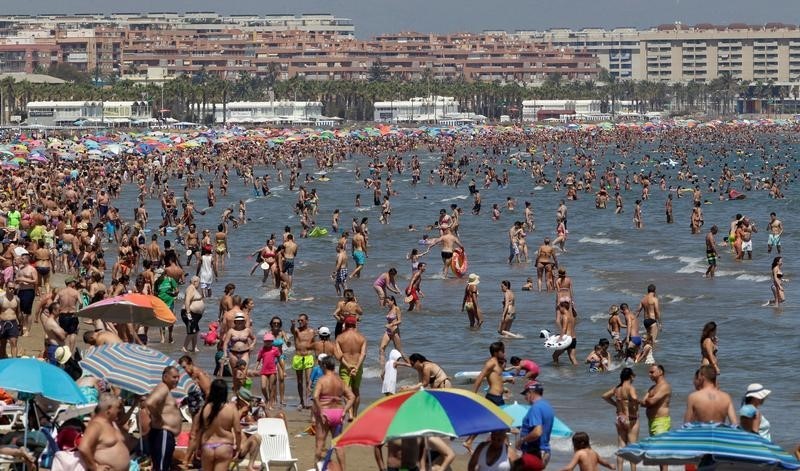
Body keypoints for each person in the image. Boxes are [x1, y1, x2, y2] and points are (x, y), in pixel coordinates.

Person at [188, 379, 241, 471]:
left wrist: (197, 448)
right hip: (224, 446)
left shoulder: (204, 408)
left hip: (207, 446)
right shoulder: (231, 409)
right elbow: (238, 431)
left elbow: (198, 430)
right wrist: (238, 448)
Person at [313, 355, 355, 468]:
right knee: (338, 445)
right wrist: (345, 411)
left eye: (322, 365)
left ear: (325, 366)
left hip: (325, 413)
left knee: (320, 443)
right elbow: (352, 397)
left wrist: (321, 411)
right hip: (338, 413)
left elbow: (315, 396)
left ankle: (317, 468)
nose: (321, 367)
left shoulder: (322, 380)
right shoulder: (340, 381)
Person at [78, 393, 131, 471]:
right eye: (117, 407)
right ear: (109, 409)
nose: (119, 410)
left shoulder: (112, 423)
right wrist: (95, 467)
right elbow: (83, 447)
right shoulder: (96, 425)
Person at [144, 366, 183, 471]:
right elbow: (149, 403)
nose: (177, 380)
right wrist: (158, 417)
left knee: (162, 466)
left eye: (178, 377)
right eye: (174, 377)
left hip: (164, 434)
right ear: (165, 377)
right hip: (163, 434)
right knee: (161, 468)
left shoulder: (165, 389)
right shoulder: (163, 388)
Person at [602, 368, 639, 471]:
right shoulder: (630, 387)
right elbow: (634, 398)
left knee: (621, 448)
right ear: (631, 376)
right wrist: (639, 403)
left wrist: (615, 404)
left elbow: (604, 396)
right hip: (631, 419)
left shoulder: (617, 388)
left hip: (619, 418)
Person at [516, 381, 554, 471]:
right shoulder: (547, 406)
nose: (525, 398)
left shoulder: (535, 408)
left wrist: (521, 440)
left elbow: (537, 432)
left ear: (531, 392)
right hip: (544, 451)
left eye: (525, 394)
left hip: (534, 452)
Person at [334, 315, 366, 418]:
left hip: (345, 366)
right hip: (358, 366)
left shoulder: (340, 338)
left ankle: (350, 414)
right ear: (355, 324)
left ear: (345, 325)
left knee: (346, 391)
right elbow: (363, 354)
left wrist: (348, 366)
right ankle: (356, 414)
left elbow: (338, 355)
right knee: (356, 390)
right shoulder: (362, 338)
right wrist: (356, 367)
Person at [641, 364, 671, 470]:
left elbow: (650, 401)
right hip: (652, 422)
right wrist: (647, 401)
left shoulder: (665, 386)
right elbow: (642, 402)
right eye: (649, 372)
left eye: (652, 372)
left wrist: (648, 400)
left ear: (660, 372)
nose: (649, 375)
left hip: (661, 422)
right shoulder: (652, 388)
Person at [291, 313, 316, 409]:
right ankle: (301, 400)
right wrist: (293, 325)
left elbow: (314, 345)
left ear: (307, 321)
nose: (300, 322)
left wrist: (317, 357)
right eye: (299, 320)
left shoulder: (312, 331)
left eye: (302, 320)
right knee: (300, 381)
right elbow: (292, 330)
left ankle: (307, 400)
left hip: (308, 357)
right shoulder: (297, 331)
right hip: (298, 357)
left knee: (308, 380)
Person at [256, 333, 280, 410]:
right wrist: (255, 368)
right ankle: (267, 398)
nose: (268, 342)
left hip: (272, 370)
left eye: (269, 341)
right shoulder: (262, 350)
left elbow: (279, 359)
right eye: (266, 341)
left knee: (271, 387)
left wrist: (282, 370)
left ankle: (270, 403)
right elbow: (258, 360)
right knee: (263, 387)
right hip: (264, 370)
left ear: (272, 341)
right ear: (264, 341)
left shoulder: (275, 349)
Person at [182, 276, 204, 353]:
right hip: (189, 313)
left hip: (195, 314)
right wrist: (188, 313)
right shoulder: (191, 288)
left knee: (196, 331)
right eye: (199, 282)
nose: (200, 284)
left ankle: (194, 347)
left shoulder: (194, 289)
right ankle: (184, 347)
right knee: (191, 331)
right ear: (195, 282)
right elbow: (187, 300)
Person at [378, 296, 403, 365]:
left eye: (388, 302)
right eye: (386, 302)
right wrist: (389, 326)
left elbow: (400, 321)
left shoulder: (396, 308)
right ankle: (383, 366)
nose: (387, 304)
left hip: (395, 332)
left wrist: (391, 324)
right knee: (381, 349)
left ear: (393, 301)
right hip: (388, 332)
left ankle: (404, 365)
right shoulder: (389, 309)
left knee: (399, 352)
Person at [0, 282, 20, 358]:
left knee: (14, 343)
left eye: (13, 288)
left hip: (13, 323)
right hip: (2, 323)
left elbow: (18, 312)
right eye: (10, 288)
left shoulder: (17, 299)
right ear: (6, 288)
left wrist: (20, 324)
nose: (12, 290)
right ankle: (2, 361)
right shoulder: (1, 299)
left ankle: (14, 362)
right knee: (2, 344)